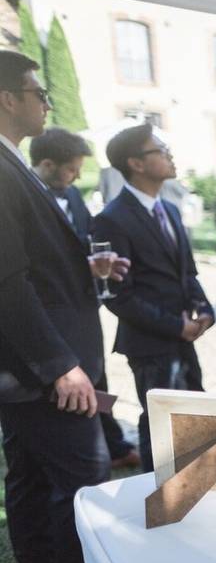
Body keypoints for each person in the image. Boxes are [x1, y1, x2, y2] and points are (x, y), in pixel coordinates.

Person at [0, 50, 126, 563]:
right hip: (42, 373)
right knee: (85, 482)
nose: (47, 101)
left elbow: (30, 262)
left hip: (32, 372)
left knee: (29, 483)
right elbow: (7, 280)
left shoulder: (14, 162)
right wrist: (59, 364)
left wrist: (85, 269)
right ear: (8, 99)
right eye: (37, 91)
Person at [94, 123, 214, 472]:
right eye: (160, 150)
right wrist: (176, 326)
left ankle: (197, 489)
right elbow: (116, 296)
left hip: (184, 339)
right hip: (149, 344)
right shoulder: (111, 219)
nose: (169, 155)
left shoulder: (171, 210)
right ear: (137, 163)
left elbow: (186, 273)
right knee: (161, 429)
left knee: (197, 418)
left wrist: (204, 309)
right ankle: (159, 503)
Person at [30, 127, 140, 469]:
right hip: (50, 316)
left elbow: (85, 240)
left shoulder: (74, 196)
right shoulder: (27, 200)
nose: (78, 174)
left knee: (96, 374)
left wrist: (96, 264)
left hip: (84, 307)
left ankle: (113, 444)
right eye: (71, 168)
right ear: (47, 165)